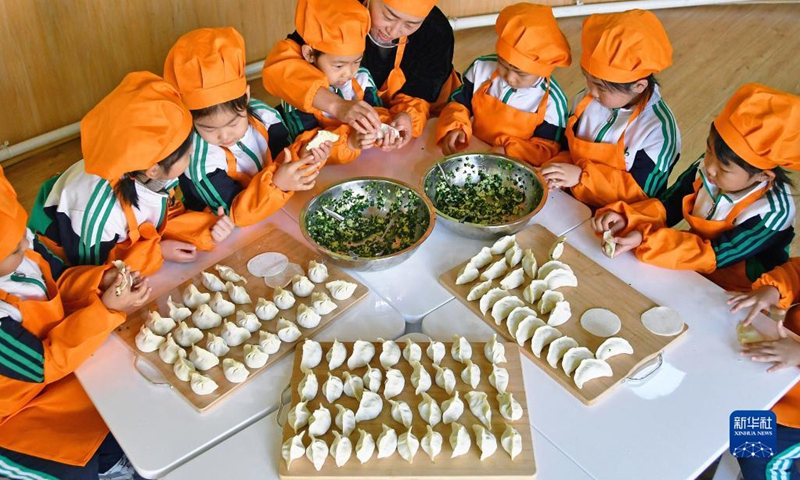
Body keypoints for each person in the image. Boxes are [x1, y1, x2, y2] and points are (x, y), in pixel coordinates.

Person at [0, 164, 150, 480]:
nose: (27, 246)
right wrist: (105, 311)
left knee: (125, 394)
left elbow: (59, 278)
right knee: (74, 473)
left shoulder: (18, 244)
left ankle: (109, 460)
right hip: (12, 411)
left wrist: (100, 280)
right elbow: (41, 365)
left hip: (56, 374)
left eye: (21, 237)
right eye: (15, 249)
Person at [592, 83, 797, 293]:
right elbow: (669, 204)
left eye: (724, 169)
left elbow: (718, 254)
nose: (710, 168)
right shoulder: (709, 167)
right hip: (690, 260)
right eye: (708, 152)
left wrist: (646, 239)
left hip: (743, 290)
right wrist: (630, 219)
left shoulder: (773, 212)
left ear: (763, 175)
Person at [28, 72, 234, 276]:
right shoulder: (99, 213)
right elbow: (97, 274)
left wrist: (207, 230)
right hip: (65, 259)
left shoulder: (156, 169)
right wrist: (158, 252)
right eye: (187, 154)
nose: (192, 152)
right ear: (153, 169)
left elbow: (163, 217)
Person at [164, 27, 330, 226]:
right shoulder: (199, 161)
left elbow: (286, 155)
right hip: (223, 229)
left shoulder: (265, 116)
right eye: (209, 129)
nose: (225, 135)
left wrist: (306, 156)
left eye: (233, 122)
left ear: (247, 97)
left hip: (275, 207)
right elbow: (234, 214)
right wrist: (276, 185)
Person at [263, 0, 458, 147]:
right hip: (343, 130)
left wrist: (407, 116)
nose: (394, 31)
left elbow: (423, 92)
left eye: (410, 25)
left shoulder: (436, 30)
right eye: (389, 16)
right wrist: (337, 105)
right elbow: (281, 67)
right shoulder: (340, 10)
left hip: (414, 123)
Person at [542, 9, 681, 208]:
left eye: (600, 87)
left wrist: (583, 177)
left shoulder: (658, 132)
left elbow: (642, 196)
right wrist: (557, 168)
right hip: (570, 202)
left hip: (617, 219)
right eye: (587, 79)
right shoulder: (586, 100)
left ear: (638, 87)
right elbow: (567, 146)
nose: (590, 91)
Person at [436, 3, 570, 165]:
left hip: (514, 164)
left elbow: (546, 149)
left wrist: (507, 151)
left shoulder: (552, 102)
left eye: (521, 74)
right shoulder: (481, 68)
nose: (510, 77)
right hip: (475, 147)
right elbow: (459, 103)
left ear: (543, 71)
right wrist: (455, 127)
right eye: (503, 65)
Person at [274, 0, 389, 162]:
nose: (349, 73)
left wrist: (385, 128)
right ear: (309, 54)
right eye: (339, 65)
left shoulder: (362, 77)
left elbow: (379, 112)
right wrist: (350, 141)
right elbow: (306, 146)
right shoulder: (295, 97)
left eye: (356, 61)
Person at [729, 258, 800, 479]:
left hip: (793, 418)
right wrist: (775, 288)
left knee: (755, 456)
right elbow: (796, 272)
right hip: (770, 382)